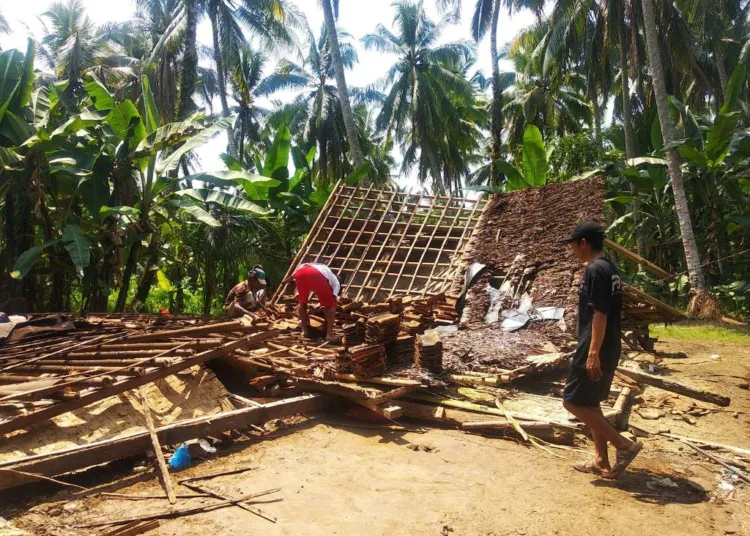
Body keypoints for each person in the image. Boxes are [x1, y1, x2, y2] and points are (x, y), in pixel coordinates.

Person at [561, 221, 642, 478]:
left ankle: (624, 445)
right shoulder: (610, 268)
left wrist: (592, 353)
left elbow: (600, 314)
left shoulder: (595, 270)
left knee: (572, 402)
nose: (572, 250)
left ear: (583, 243)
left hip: (596, 344)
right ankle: (601, 461)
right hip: (609, 343)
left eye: (573, 244)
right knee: (591, 403)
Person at [284, 262, 340, 341]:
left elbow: (298, 271)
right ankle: (329, 334)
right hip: (317, 274)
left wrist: (290, 278)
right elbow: (332, 301)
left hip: (300, 273)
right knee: (331, 305)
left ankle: (305, 332)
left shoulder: (318, 266)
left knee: (302, 303)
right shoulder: (336, 282)